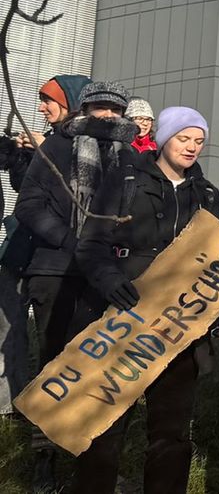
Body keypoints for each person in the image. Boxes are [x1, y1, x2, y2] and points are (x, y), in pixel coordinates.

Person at [71, 107, 219, 493]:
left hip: (179, 330)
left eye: (198, 141)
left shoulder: (206, 194)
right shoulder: (124, 181)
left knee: (171, 433)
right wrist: (110, 281)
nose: (191, 147)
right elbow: (90, 244)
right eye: (183, 138)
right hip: (122, 322)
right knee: (103, 427)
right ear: (164, 139)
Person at [14, 80, 136, 491]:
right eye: (99, 107)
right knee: (53, 368)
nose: (107, 116)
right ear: (83, 109)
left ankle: (92, 466)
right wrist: (72, 241)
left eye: (115, 109)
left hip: (105, 278)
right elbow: (28, 205)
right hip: (56, 272)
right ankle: (43, 462)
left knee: (100, 372)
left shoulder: (128, 158)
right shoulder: (57, 148)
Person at [0, 73, 87, 418]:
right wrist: (19, 158)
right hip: (20, 252)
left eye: (48, 101)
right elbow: (28, 193)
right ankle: (13, 408)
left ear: (70, 103)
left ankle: (51, 415)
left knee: (54, 340)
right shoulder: (48, 140)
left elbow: (73, 194)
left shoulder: (82, 146)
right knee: (8, 333)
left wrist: (44, 151)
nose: (41, 108)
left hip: (56, 260)